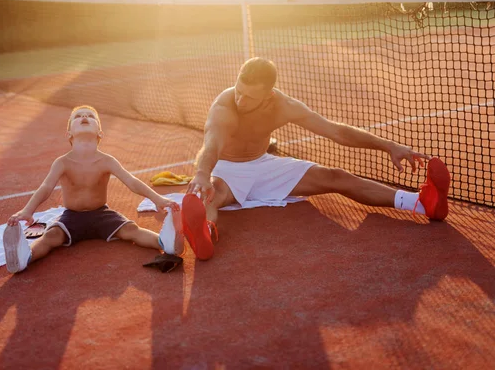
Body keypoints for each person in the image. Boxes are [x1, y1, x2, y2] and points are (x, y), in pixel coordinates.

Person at [183, 57, 450, 258]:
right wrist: (202, 174)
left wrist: (388, 145)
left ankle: (421, 203)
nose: (240, 100)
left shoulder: (284, 106)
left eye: (249, 97)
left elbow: (336, 132)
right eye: (239, 91)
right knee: (210, 194)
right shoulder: (224, 106)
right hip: (225, 168)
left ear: (269, 96)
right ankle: (205, 233)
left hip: (263, 164)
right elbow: (212, 144)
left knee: (336, 176)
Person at [2, 105, 182, 273]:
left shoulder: (107, 161)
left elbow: (132, 181)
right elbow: (45, 188)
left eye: (90, 116)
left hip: (101, 214)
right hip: (72, 216)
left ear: (100, 133)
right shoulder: (62, 162)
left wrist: (157, 199)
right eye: (78, 117)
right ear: (69, 134)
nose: (84, 117)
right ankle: (25, 257)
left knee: (131, 230)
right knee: (51, 236)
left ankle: (164, 242)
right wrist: (27, 211)